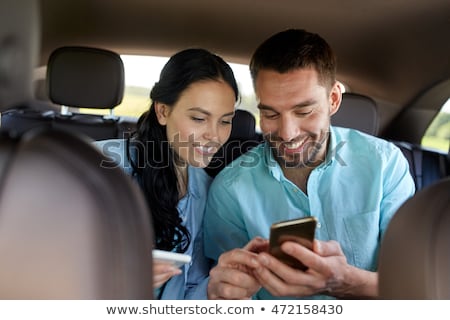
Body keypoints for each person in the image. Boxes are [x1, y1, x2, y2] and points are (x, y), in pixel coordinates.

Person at [203, 29, 415, 299]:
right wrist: (226, 296)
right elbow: (230, 295)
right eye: (270, 113)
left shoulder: (385, 165)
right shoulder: (230, 190)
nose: (287, 132)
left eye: (304, 111)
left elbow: (413, 287)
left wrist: (344, 281)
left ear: (334, 100)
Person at [95, 48, 239, 299]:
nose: (214, 136)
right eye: (198, 118)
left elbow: (190, 286)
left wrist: (216, 288)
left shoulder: (208, 191)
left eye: (225, 121)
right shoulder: (99, 166)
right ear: (163, 111)